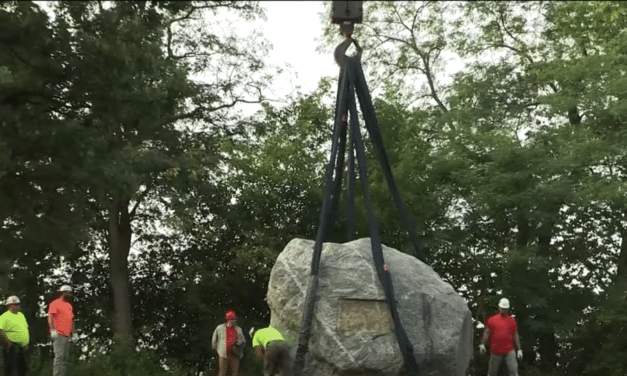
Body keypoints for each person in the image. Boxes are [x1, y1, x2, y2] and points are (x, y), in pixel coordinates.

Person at [479, 298, 523, 376]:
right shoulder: (492, 320)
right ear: (499, 308)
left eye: (505, 309)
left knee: (514, 372)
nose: (504, 310)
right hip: (495, 351)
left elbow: (515, 335)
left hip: (509, 350)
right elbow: (487, 333)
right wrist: (482, 344)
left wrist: (519, 349)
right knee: (492, 373)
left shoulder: (512, 320)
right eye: (503, 309)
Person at [48, 285, 74, 376]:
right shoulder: (55, 303)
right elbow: (50, 317)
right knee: (59, 357)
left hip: (67, 335)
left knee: (65, 359)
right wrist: (52, 330)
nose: (70, 295)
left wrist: (74, 333)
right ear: (63, 292)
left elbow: (71, 320)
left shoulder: (69, 306)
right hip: (59, 334)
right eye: (68, 293)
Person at [0, 296, 30, 376]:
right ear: (10, 305)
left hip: (23, 347)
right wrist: (8, 342)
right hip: (12, 347)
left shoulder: (21, 315)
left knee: (23, 370)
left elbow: (25, 328)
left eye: (18, 304)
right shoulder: (4, 316)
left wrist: (26, 343)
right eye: (16, 304)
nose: (18, 306)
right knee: (10, 370)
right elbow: (1, 330)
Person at [211, 310, 245, 376]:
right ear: (229, 320)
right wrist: (218, 350)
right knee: (222, 373)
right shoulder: (220, 328)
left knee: (235, 373)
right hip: (223, 354)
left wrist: (240, 342)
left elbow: (243, 340)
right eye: (233, 319)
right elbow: (214, 341)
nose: (235, 321)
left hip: (235, 354)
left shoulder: (238, 329)